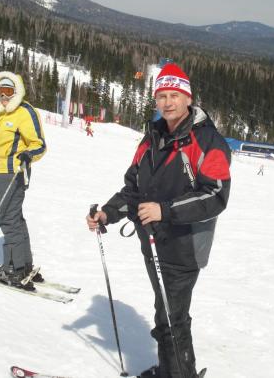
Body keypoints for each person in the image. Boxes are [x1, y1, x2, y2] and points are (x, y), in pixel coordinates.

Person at [86, 63, 231, 378]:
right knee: (166, 313)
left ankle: (177, 374)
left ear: (187, 98)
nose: (167, 102)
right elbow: (134, 190)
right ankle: (174, 370)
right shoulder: (151, 138)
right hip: (152, 242)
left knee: (171, 317)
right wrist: (108, 213)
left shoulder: (208, 141)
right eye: (161, 95)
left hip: (184, 245)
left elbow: (215, 196)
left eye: (174, 95)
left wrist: (165, 210)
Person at [0, 71, 46, 290]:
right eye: (1, 91)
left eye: (9, 91)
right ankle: (25, 264)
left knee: (8, 219)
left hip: (14, 173)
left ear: (17, 92)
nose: (4, 96)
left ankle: (14, 268)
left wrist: (27, 155)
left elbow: (39, 144)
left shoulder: (24, 112)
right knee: (14, 217)